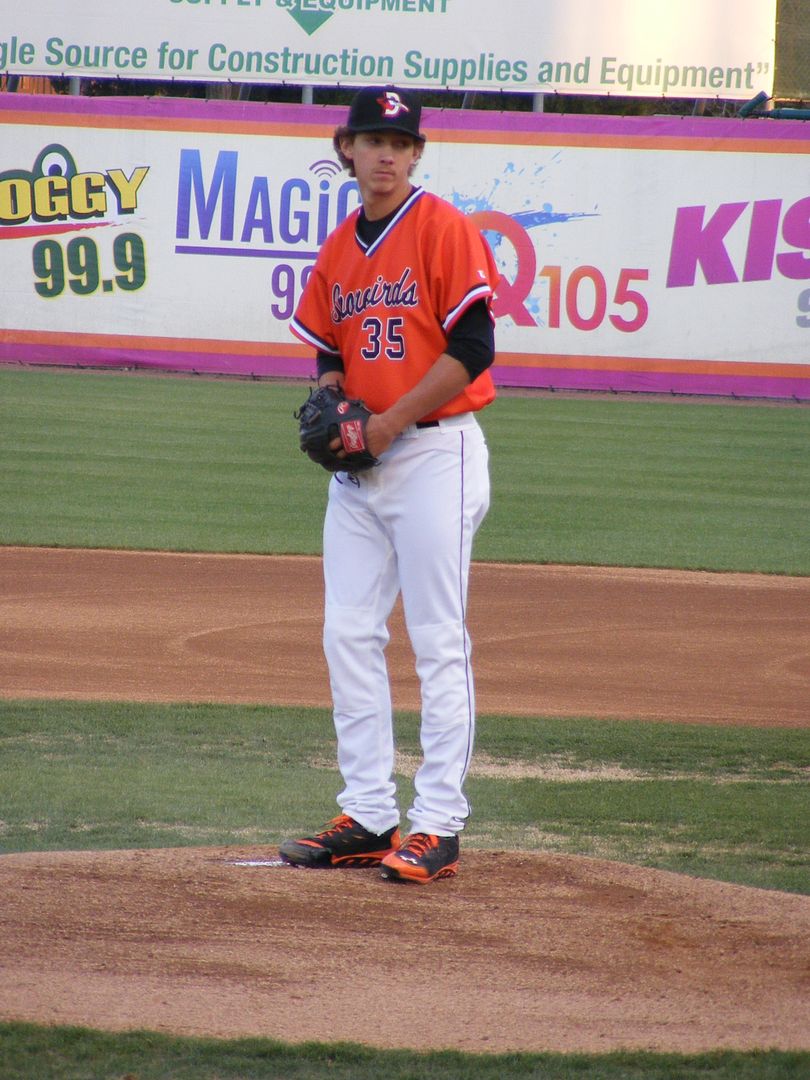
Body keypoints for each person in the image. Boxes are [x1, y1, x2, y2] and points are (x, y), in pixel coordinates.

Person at [281, 86, 499, 884]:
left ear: (415, 155)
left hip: (437, 455)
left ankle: (438, 824)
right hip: (361, 472)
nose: (384, 152)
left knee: (438, 641)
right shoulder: (339, 248)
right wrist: (339, 396)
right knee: (347, 632)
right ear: (346, 149)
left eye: (399, 142)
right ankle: (369, 814)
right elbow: (327, 349)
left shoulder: (444, 229)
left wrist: (385, 422)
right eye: (370, 138)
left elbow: (474, 348)